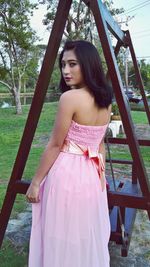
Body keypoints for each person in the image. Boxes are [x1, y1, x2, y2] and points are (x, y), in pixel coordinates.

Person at [26, 40, 113, 267]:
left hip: (68, 175)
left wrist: (36, 182)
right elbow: (99, 145)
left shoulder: (70, 98)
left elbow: (55, 144)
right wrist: (101, 178)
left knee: (61, 232)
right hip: (93, 176)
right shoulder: (106, 101)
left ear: (88, 64)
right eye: (63, 64)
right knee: (82, 232)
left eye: (72, 64)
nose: (66, 71)